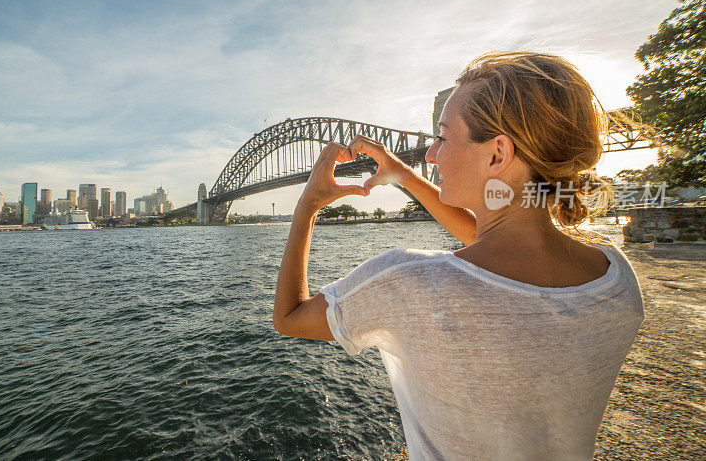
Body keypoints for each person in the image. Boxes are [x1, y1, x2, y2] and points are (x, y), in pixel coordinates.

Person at [272, 51, 645, 460]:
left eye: (444, 137)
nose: (431, 154)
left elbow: (289, 317)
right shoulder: (616, 279)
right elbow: (490, 248)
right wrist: (405, 175)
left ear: (497, 154)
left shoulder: (409, 281)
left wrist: (306, 206)